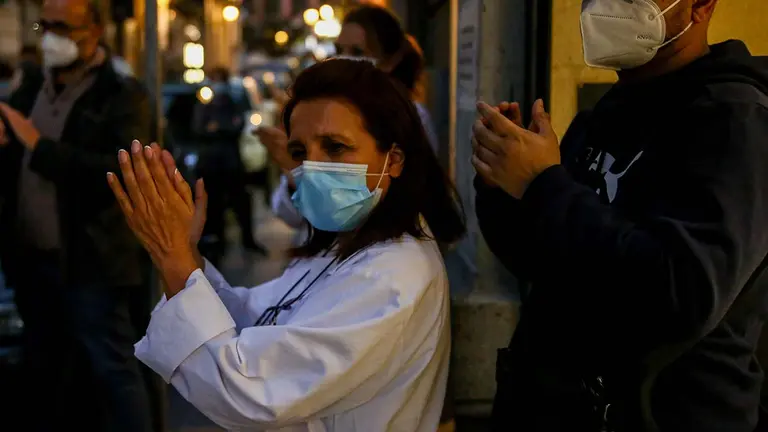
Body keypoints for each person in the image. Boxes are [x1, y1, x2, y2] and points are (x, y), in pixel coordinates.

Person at [107, 58, 465, 431]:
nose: (312, 167)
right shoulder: (343, 247)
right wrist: (185, 253)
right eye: (299, 153)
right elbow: (258, 320)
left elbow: (252, 393)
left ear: (393, 159)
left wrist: (175, 260)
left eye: (335, 147)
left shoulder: (393, 274)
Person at [472, 0, 768, 431]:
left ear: (701, 5)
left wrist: (543, 186)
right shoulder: (607, 112)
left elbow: (680, 291)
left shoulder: (734, 122)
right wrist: (504, 186)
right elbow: (545, 262)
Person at [0, 0, 154, 430]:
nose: (51, 36)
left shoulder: (121, 95)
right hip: (34, 261)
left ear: (95, 30)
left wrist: (37, 145)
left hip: (93, 262)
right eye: (45, 25)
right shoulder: (30, 89)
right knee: (47, 373)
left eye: (63, 27)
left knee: (112, 369)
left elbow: (117, 171)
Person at [264, 4, 438, 231]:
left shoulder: (411, 118)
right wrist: (293, 170)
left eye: (357, 52)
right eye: (339, 49)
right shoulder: (325, 113)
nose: (345, 59)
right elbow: (293, 215)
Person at [193, 66, 267, 260]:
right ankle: (217, 242)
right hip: (210, 163)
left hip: (231, 162)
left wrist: (218, 129)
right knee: (214, 205)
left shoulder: (232, 101)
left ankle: (247, 240)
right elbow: (199, 127)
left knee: (240, 201)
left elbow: (238, 125)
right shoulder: (205, 103)